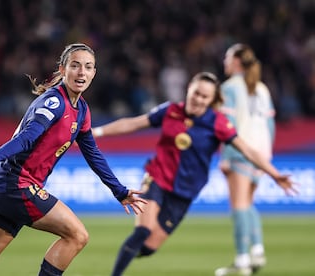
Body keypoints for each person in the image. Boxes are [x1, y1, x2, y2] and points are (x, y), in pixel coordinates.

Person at [0, 43, 147, 276]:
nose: (82, 72)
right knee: (77, 235)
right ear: (62, 70)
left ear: (94, 73)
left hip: (4, 186)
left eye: (88, 67)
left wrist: (119, 191)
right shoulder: (53, 103)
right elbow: (27, 137)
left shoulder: (81, 109)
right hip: (17, 185)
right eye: (75, 66)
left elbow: (93, 154)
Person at [91, 72, 297, 276]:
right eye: (196, 93)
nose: (198, 99)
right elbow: (134, 123)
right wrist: (97, 132)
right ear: (189, 88)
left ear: (211, 101)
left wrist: (274, 174)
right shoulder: (171, 110)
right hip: (157, 179)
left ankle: (131, 252)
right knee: (142, 231)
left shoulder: (218, 123)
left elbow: (248, 150)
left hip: (184, 193)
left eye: (204, 97)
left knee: (148, 248)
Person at [214, 44, 276, 276]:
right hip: (261, 153)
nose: (225, 61)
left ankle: (242, 261)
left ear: (237, 62)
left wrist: (227, 154)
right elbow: (270, 125)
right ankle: (257, 250)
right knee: (248, 203)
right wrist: (266, 156)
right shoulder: (262, 88)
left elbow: (227, 125)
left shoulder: (229, 88)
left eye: (228, 57)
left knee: (238, 205)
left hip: (241, 151)